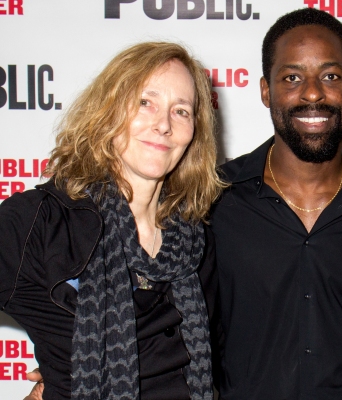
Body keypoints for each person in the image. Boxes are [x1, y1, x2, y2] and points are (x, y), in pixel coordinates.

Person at [0, 42, 225, 399]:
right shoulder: (42, 221)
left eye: (181, 111)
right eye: (144, 102)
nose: (163, 124)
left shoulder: (196, 239)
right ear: (108, 111)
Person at [208, 8, 342, 400]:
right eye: (292, 78)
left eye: (331, 76)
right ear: (266, 90)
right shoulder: (212, 202)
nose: (314, 93)